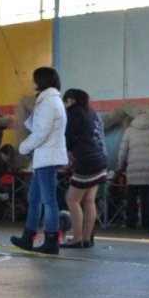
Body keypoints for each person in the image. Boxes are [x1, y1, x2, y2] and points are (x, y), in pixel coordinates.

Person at [10, 67, 68, 254]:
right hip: (44, 158)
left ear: (42, 81)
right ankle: (28, 236)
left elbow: (41, 132)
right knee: (34, 198)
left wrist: (23, 147)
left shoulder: (49, 102)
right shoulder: (50, 100)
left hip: (47, 158)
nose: (33, 82)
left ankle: (51, 239)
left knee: (48, 201)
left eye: (35, 79)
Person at [60, 88, 107, 248]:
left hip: (86, 161)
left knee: (72, 199)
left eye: (65, 101)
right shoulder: (92, 113)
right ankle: (87, 239)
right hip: (99, 160)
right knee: (89, 200)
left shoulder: (75, 112)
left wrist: (67, 152)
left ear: (71, 100)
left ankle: (77, 238)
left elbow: (68, 136)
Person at [117, 112, 149, 230]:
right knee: (147, 197)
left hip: (133, 168)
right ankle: (146, 222)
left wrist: (119, 166)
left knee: (132, 196)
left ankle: (131, 222)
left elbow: (123, 150)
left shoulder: (129, 130)